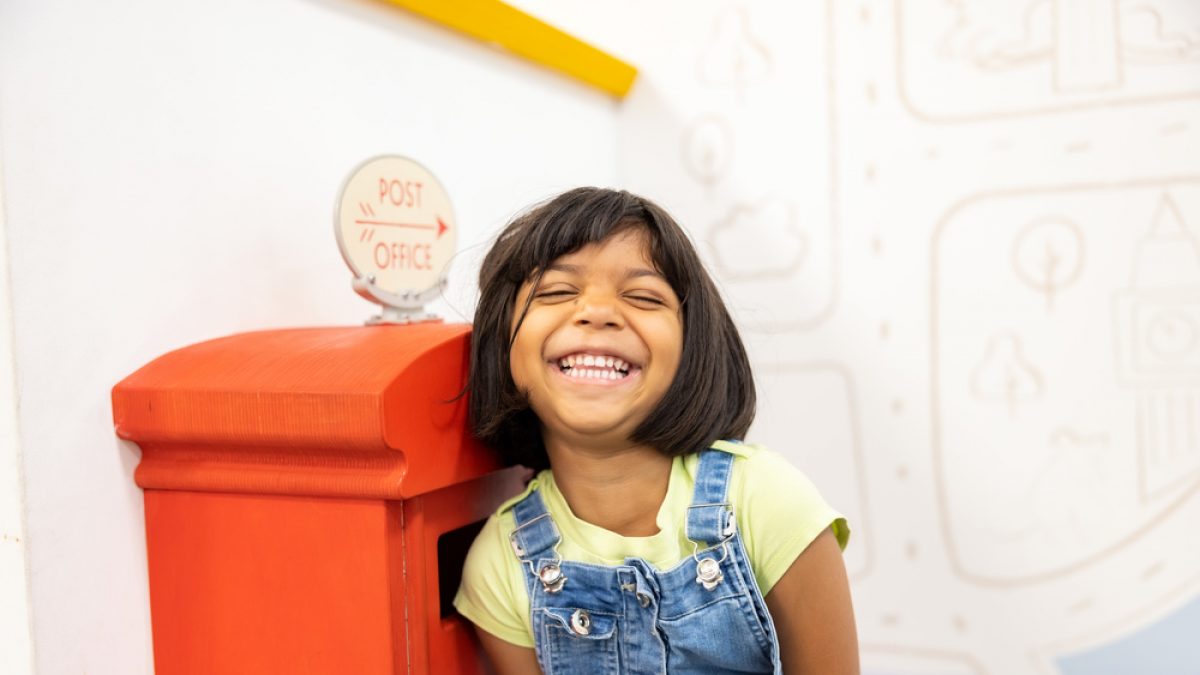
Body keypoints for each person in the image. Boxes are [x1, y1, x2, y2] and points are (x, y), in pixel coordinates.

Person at [454, 187, 858, 674]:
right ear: (502, 342)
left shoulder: (767, 499)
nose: (597, 312)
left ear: (693, 347)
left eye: (643, 297)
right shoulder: (500, 563)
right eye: (557, 292)